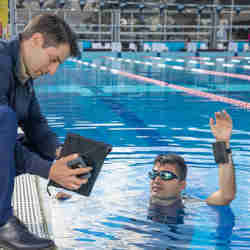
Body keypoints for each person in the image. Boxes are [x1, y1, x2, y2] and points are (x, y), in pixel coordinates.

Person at [0, 14, 92, 250]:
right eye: (53, 60)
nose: (52, 71)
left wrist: (59, 154)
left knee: (30, 142)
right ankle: (1, 222)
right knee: (4, 118)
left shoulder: (22, 76)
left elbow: (36, 124)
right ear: (36, 40)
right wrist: (49, 170)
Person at [147, 110, 235, 225]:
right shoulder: (136, 203)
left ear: (182, 185)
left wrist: (222, 144)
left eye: (165, 175)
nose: (156, 180)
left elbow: (226, 195)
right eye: (154, 174)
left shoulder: (191, 205)